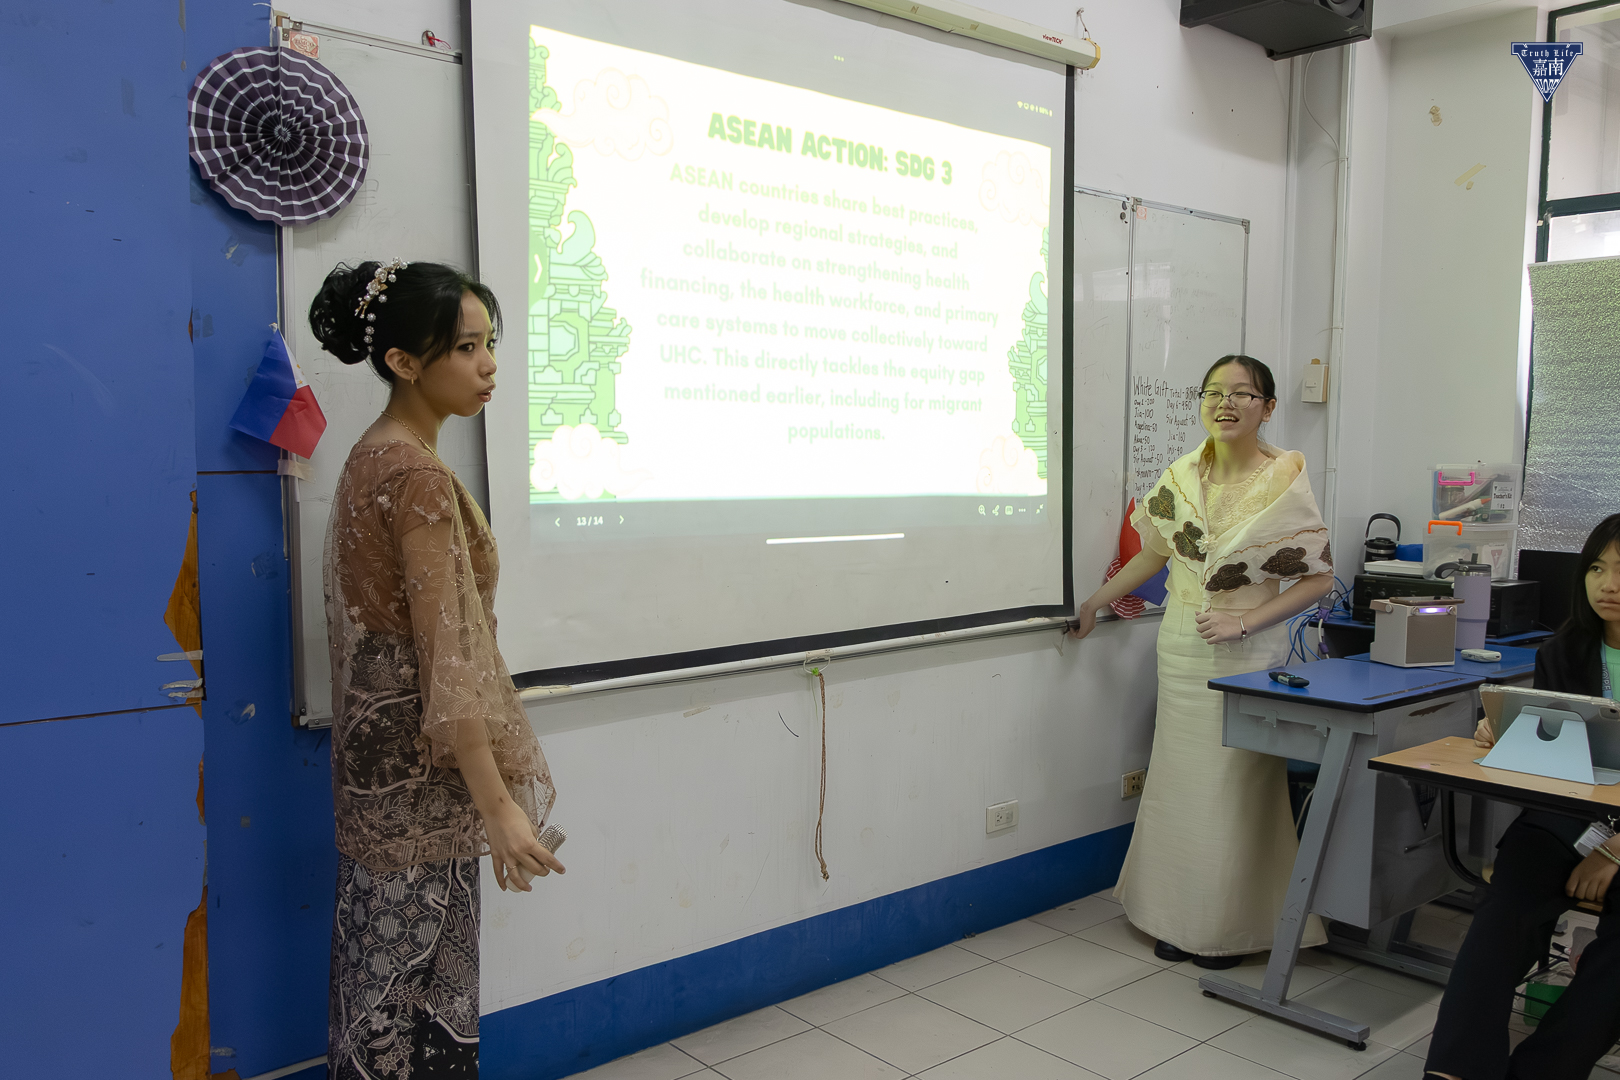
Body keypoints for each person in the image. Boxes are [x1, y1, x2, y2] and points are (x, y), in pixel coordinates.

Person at [310, 259, 565, 1079]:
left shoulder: (370, 457)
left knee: (375, 993)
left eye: (489, 343)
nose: (488, 365)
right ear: (403, 362)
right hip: (423, 780)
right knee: (419, 1011)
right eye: (464, 347)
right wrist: (499, 810)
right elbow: (446, 661)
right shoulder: (416, 474)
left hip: (376, 771)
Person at [1069, 355, 1335, 967]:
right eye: (1214, 392)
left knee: (1236, 786)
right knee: (1179, 782)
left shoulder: (1285, 479)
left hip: (1250, 645)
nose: (1226, 403)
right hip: (1185, 647)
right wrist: (1095, 602)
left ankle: (1227, 926)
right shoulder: (1184, 475)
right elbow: (1152, 557)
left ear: (1267, 407)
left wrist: (1245, 620)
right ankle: (1173, 914)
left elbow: (1318, 580)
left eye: (1243, 393)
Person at [1424, 513, 1620, 1080]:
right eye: (1597, 569)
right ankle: (1456, 1072)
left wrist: (1613, 851)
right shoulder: (1563, 651)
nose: (1608, 584)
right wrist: (1508, 736)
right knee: (1502, 913)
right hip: (1565, 821)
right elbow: (1555, 760)